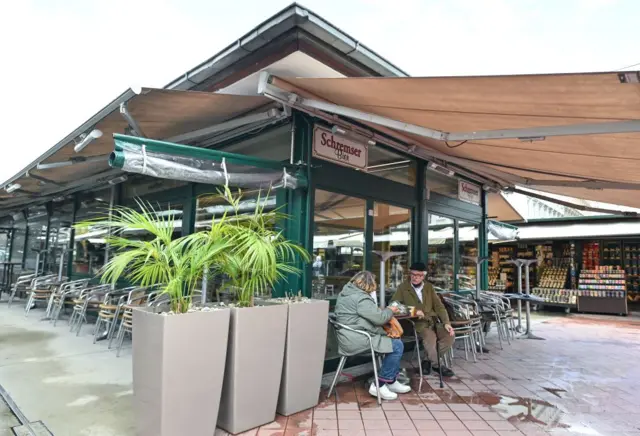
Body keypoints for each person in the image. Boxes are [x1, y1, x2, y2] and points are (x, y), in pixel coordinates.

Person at [334, 271, 412, 401]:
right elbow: (380, 319)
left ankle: (391, 381)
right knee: (397, 345)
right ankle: (379, 384)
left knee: (393, 340)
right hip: (358, 339)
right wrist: (390, 310)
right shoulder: (361, 298)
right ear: (369, 284)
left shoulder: (345, 293)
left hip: (349, 336)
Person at [391, 262, 456, 377]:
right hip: (417, 323)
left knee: (449, 336)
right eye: (413, 274)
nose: (415, 277)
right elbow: (393, 305)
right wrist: (413, 311)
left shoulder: (429, 287)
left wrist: (446, 323)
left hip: (434, 322)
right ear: (410, 274)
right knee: (430, 339)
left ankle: (427, 360)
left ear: (423, 276)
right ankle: (437, 365)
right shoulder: (403, 287)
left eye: (419, 275)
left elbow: (439, 307)